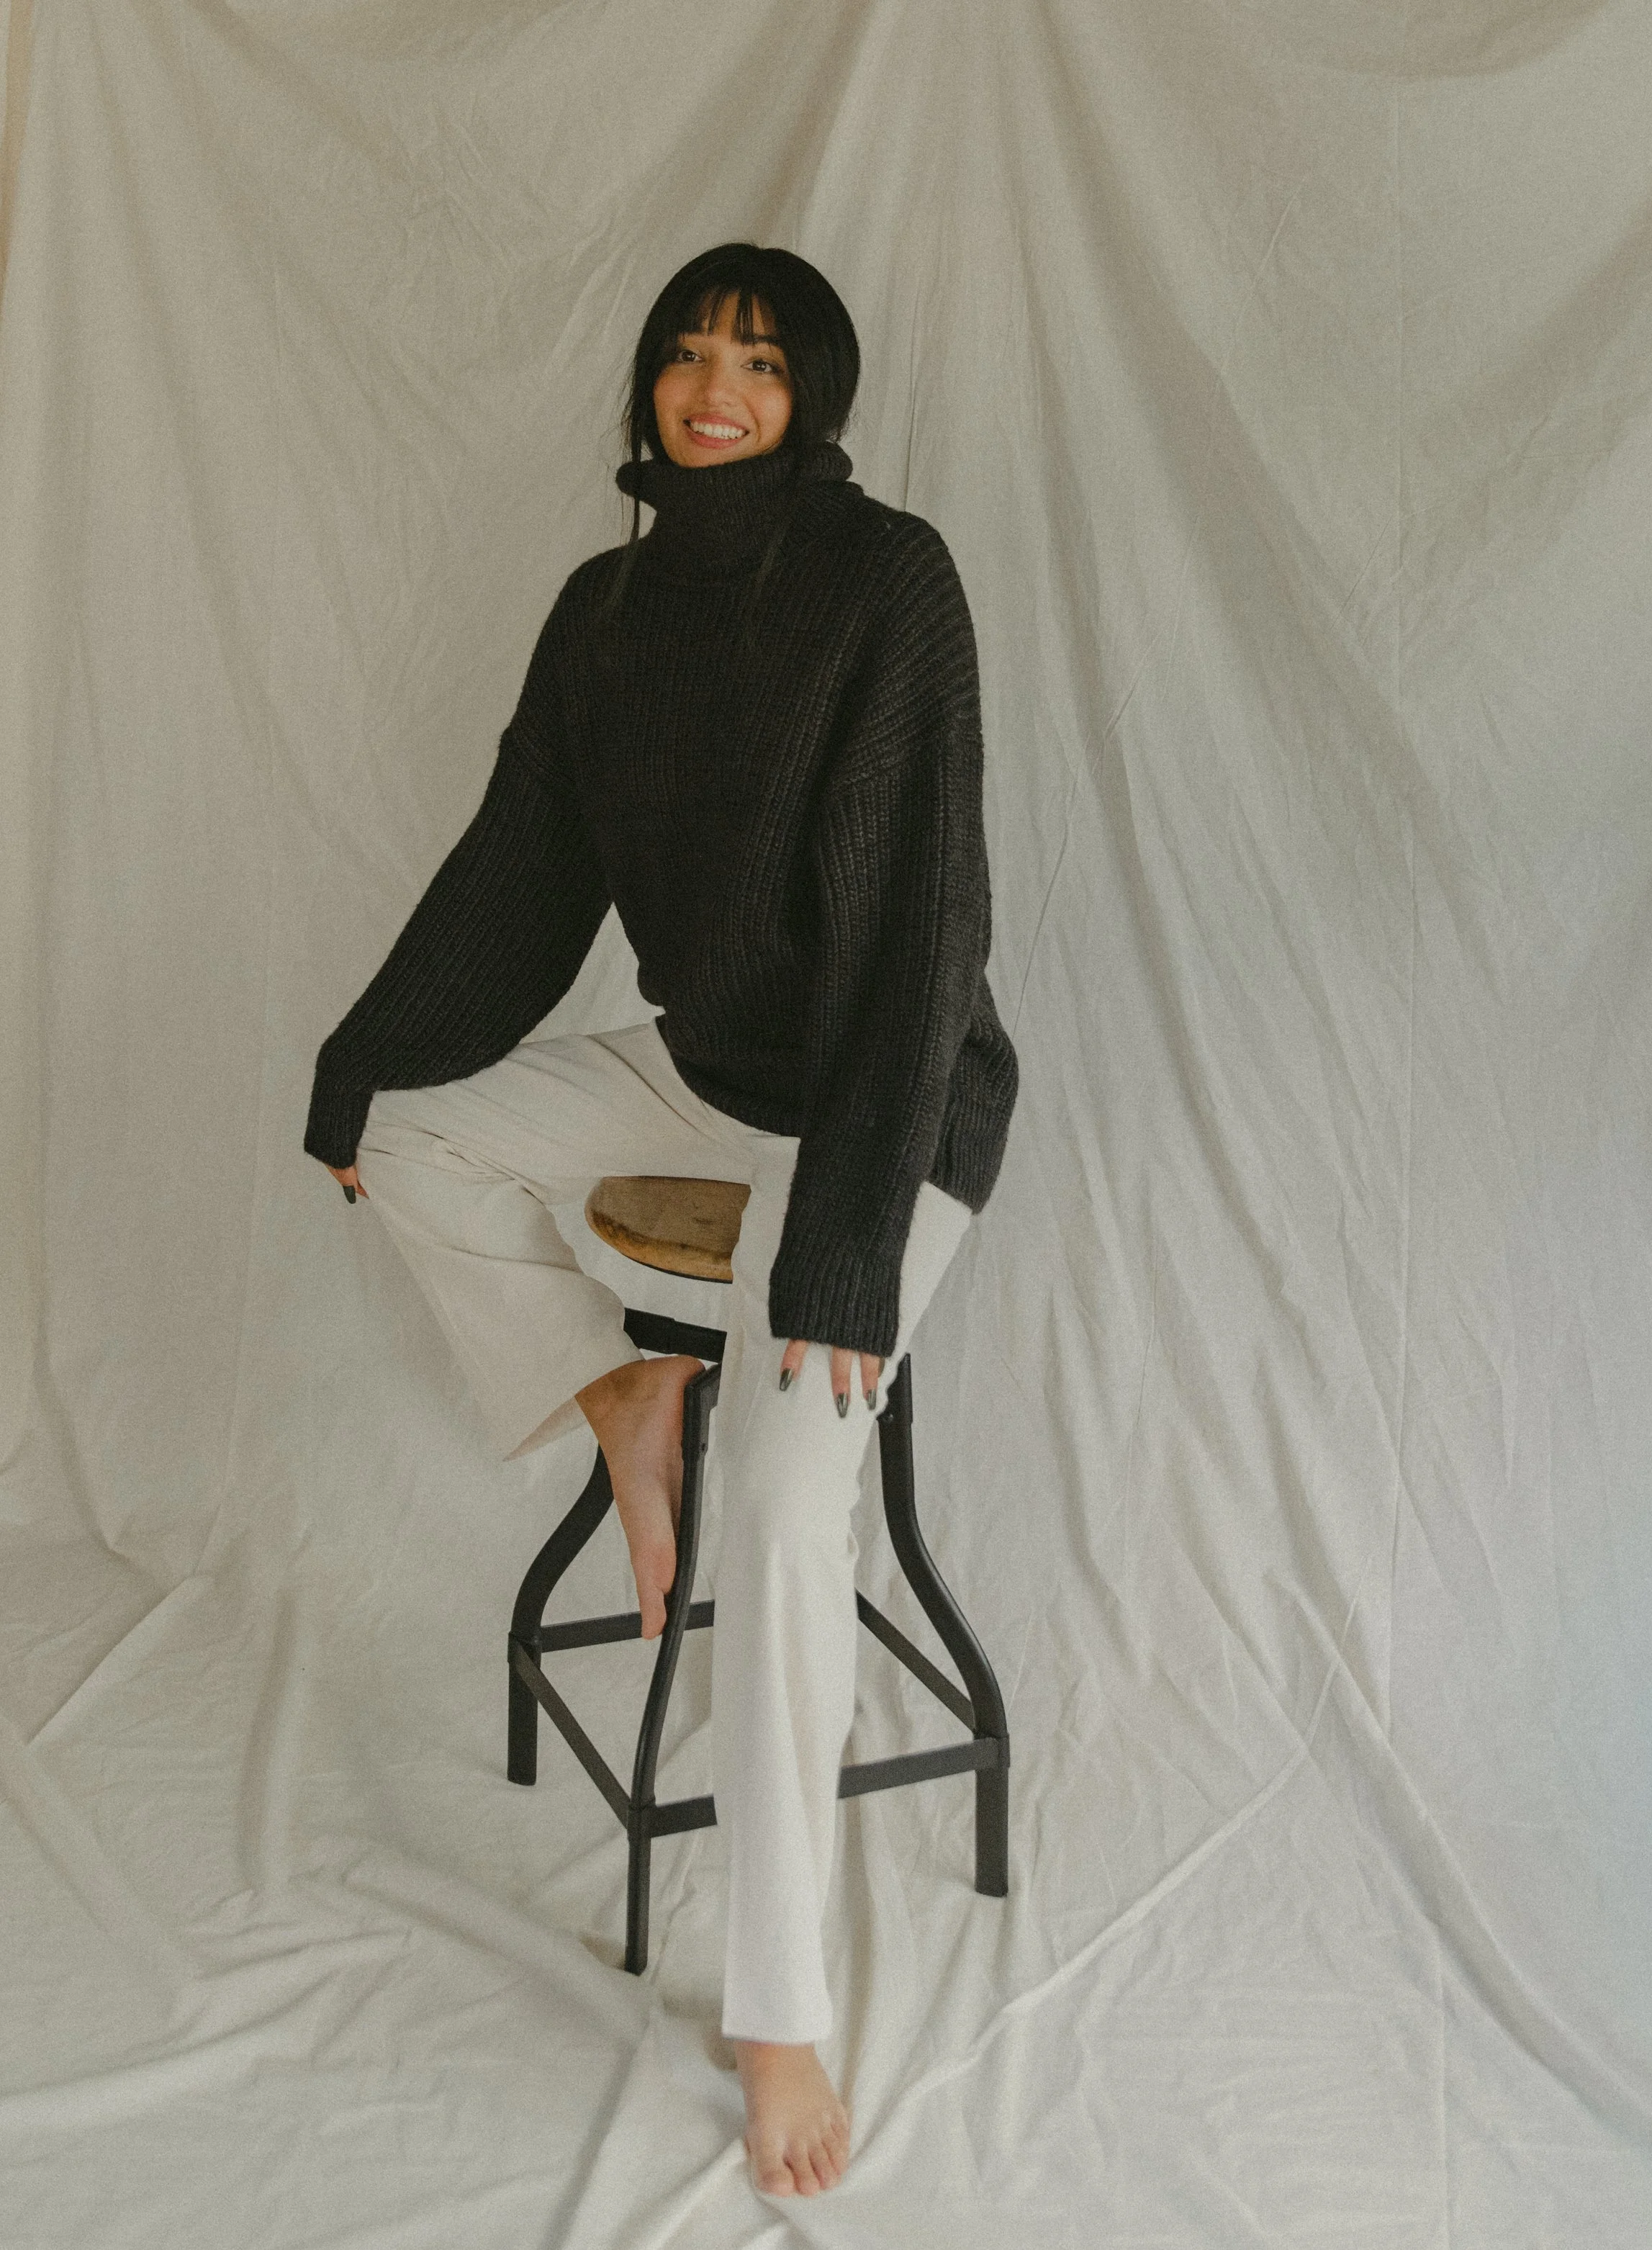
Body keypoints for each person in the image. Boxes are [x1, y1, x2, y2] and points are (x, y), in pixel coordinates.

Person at [302, 241, 1019, 2197]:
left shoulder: (891, 585)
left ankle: (774, 2006)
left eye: (760, 362)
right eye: (689, 354)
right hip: (700, 1068)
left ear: (816, 397)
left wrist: (853, 1243)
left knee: (789, 1504)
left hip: (881, 1110)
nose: (713, 388)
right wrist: (369, 1054)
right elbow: (520, 868)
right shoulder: (603, 609)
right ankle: (618, 1398)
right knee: (419, 1141)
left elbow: (921, 929)